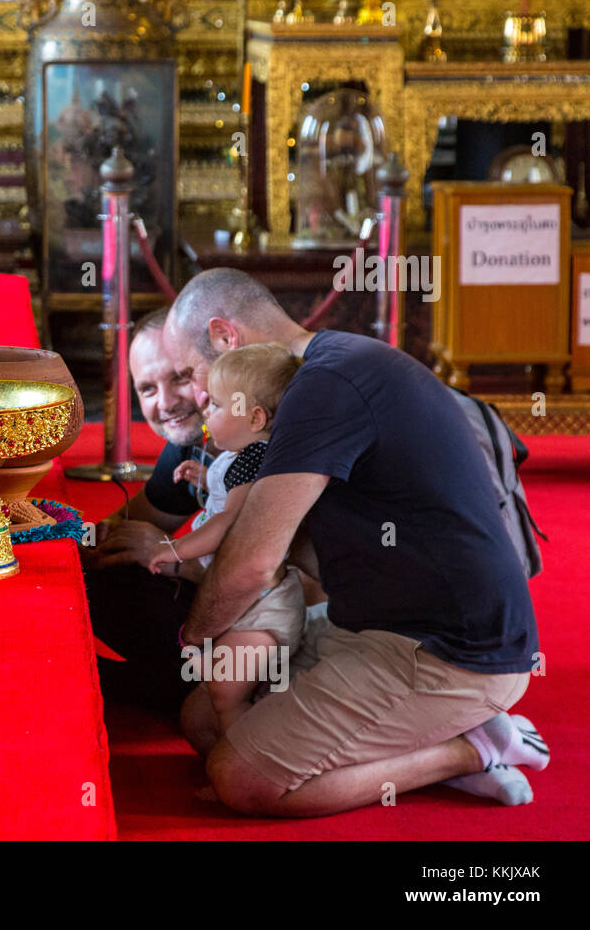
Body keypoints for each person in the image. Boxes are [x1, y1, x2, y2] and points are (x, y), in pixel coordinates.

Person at [163, 267, 548, 816]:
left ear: (226, 338)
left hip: (451, 653)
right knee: (203, 720)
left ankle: (473, 748)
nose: (195, 393)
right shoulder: (331, 364)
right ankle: (430, 739)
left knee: (240, 778)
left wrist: (193, 640)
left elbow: (252, 562)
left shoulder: (324, 384)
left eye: (192, 371)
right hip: (371, 623)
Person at [149, 343, 306, 734]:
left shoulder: (255, 456)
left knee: (225, 692)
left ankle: (241, 764)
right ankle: (232, 759)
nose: (205, 412)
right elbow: (236, 496)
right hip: (254, 605)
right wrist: (206, 479)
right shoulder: (245, 457)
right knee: (218, 697)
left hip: (263, 609)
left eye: (216, 406)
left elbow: (228, 524)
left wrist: (176, 549)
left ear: (254, 418)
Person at [80, 308, 217, 716]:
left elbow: (296, 588)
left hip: (295, 632)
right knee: (95, 577)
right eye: (148, 389)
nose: (167, 403)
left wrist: (178, 559)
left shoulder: (268, 438)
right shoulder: (195, 438)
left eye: (179, 378)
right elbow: (127, 527)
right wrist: (63, 540)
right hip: (214, 614)